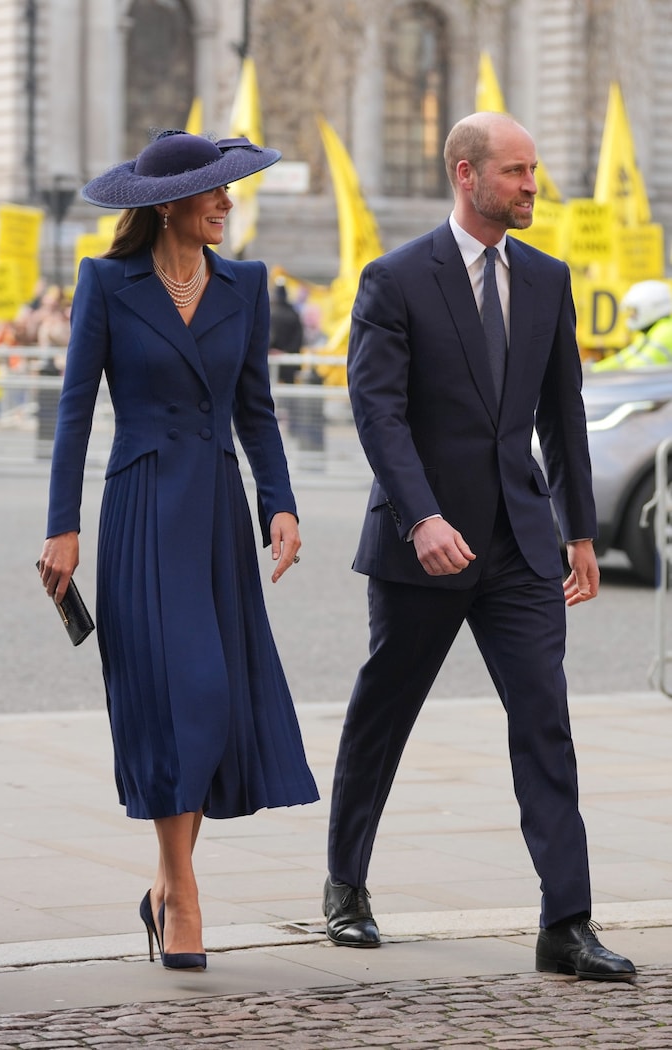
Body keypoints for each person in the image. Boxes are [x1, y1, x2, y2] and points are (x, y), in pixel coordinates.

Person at [323, 111, 636, 983]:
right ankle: (346, 886)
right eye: (516, 172)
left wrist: (579, 529)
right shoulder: (394, 280)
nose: (532, 186)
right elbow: (377, 413)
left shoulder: (546, 278)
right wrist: (421, 519)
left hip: (520, 549)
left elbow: (563, 411)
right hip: (423, 544)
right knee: (383, 716)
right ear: (467, 175)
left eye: (533, 172)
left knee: (546, 723)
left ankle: (565, 923)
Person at [38, 129, 319, 973]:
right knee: (172, 698)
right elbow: (75, 411)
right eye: (214, 191)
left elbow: (258, 410)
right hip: (138, 509)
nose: (228, 202)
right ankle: (182, 890)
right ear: (169, 205)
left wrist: (281, 503)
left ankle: (169, 885)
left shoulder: (246, 284)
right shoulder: (106, 282)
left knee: (212, 699)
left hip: (215, 518)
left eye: (230, 188)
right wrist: (62, 524)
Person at [591, 279, 672, 370]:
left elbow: (638, 367)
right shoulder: (651, 332)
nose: (630, 315)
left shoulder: (665, 333)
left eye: (633, 311)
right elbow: (623, 358)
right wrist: (594, 369)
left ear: (651, 307)